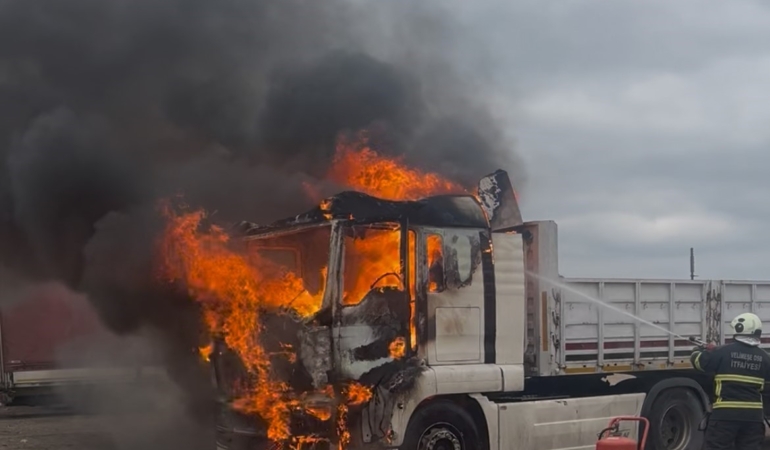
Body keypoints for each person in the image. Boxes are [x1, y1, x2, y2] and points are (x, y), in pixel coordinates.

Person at [691, 312, 770, 450]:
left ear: (738, 329)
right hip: (753, 418)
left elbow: (698, 362)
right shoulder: (765, 358)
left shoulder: (722, 352)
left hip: (724, 416)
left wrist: (700, 350)